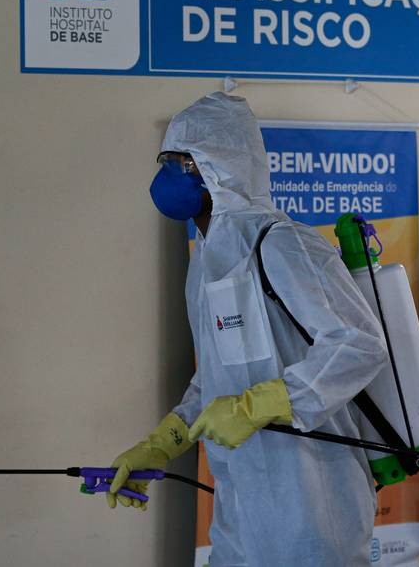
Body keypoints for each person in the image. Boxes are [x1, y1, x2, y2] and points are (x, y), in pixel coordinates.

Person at [106, 92, 388, 566]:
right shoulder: (206, 263)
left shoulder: (282, 244)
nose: (167, 174)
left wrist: (265, 403)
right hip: (240, 506)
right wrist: (164, 443)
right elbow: (215, 376)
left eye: (181, 162)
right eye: (166, 160)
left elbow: (359, 345)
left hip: (311, 504)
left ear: (221, 166)